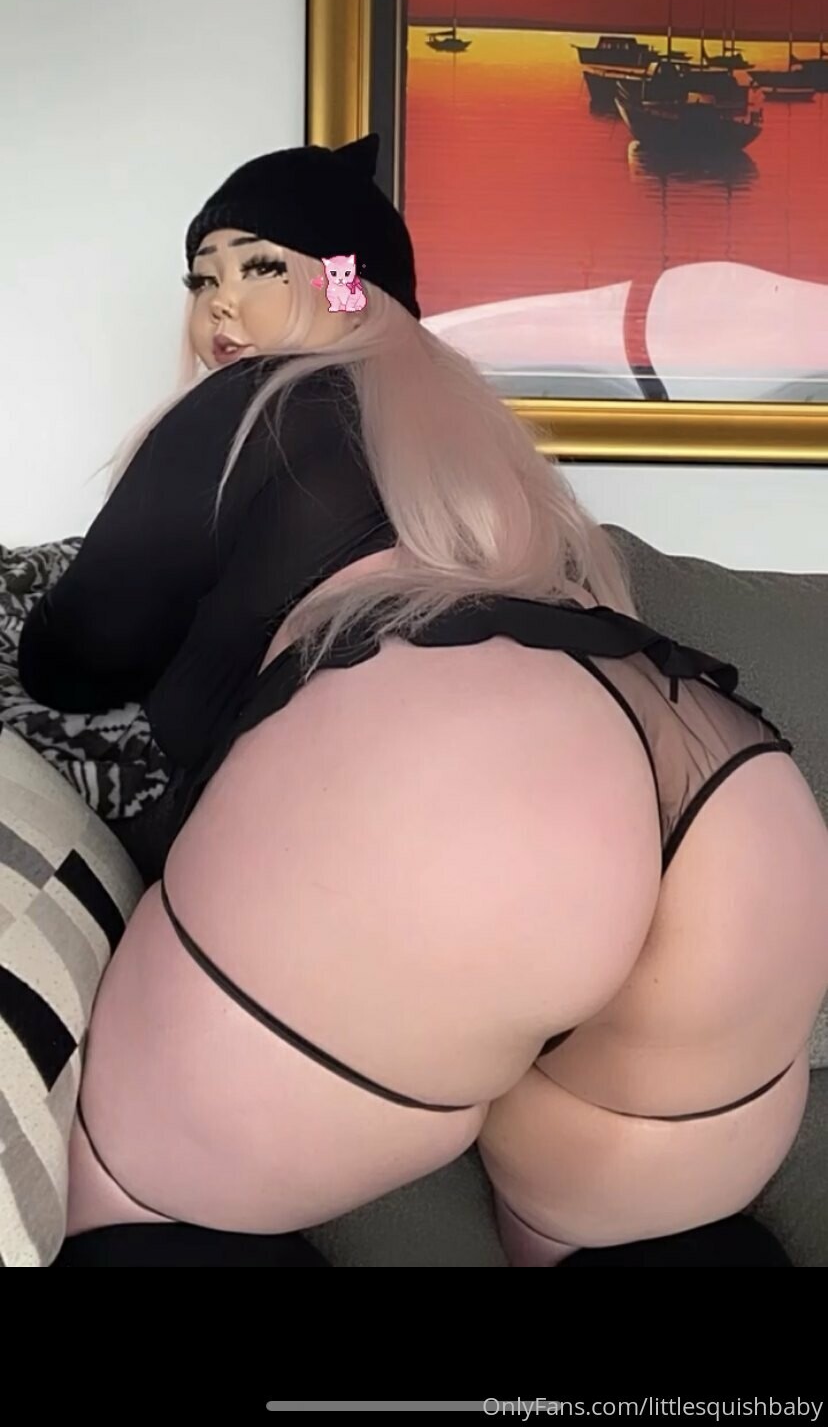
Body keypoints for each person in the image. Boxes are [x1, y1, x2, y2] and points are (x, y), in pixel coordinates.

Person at [20, 135, 828, 1268]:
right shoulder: (484, 438)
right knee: (639, 1249)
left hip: (460, 803)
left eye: (259, 264)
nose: (219, 305)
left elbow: (81, 647)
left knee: (139, 1212)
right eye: (202, 278)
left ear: (346, 281)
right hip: (728, 795)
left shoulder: (255, 402)